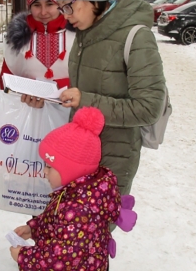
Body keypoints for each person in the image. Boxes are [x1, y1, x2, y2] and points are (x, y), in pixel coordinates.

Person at [55, 0, 166, 196]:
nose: (65, 15)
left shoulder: (136, 36)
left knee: (90, 233)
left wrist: (86, 101)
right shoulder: (86, 32)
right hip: (80, 153)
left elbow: (149, 108)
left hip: (113, 160)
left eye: (69, 6)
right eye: (61, 8)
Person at [10, 107, 137, 270]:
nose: (44, 171)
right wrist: (33, 228)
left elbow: (64, 259)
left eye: (50, 166)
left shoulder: (80, 209)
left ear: (71, 171)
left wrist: (24, 257)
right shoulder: (73, 192)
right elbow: (54, 221)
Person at [0, 0, 74, 108]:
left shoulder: (77, 35)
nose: (43, 12)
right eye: (37, 5)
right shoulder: (17, 39)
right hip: (29, 116)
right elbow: (5, 81)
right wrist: (25, 93)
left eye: (49, 4)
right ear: (29, 7)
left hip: (70, 114)